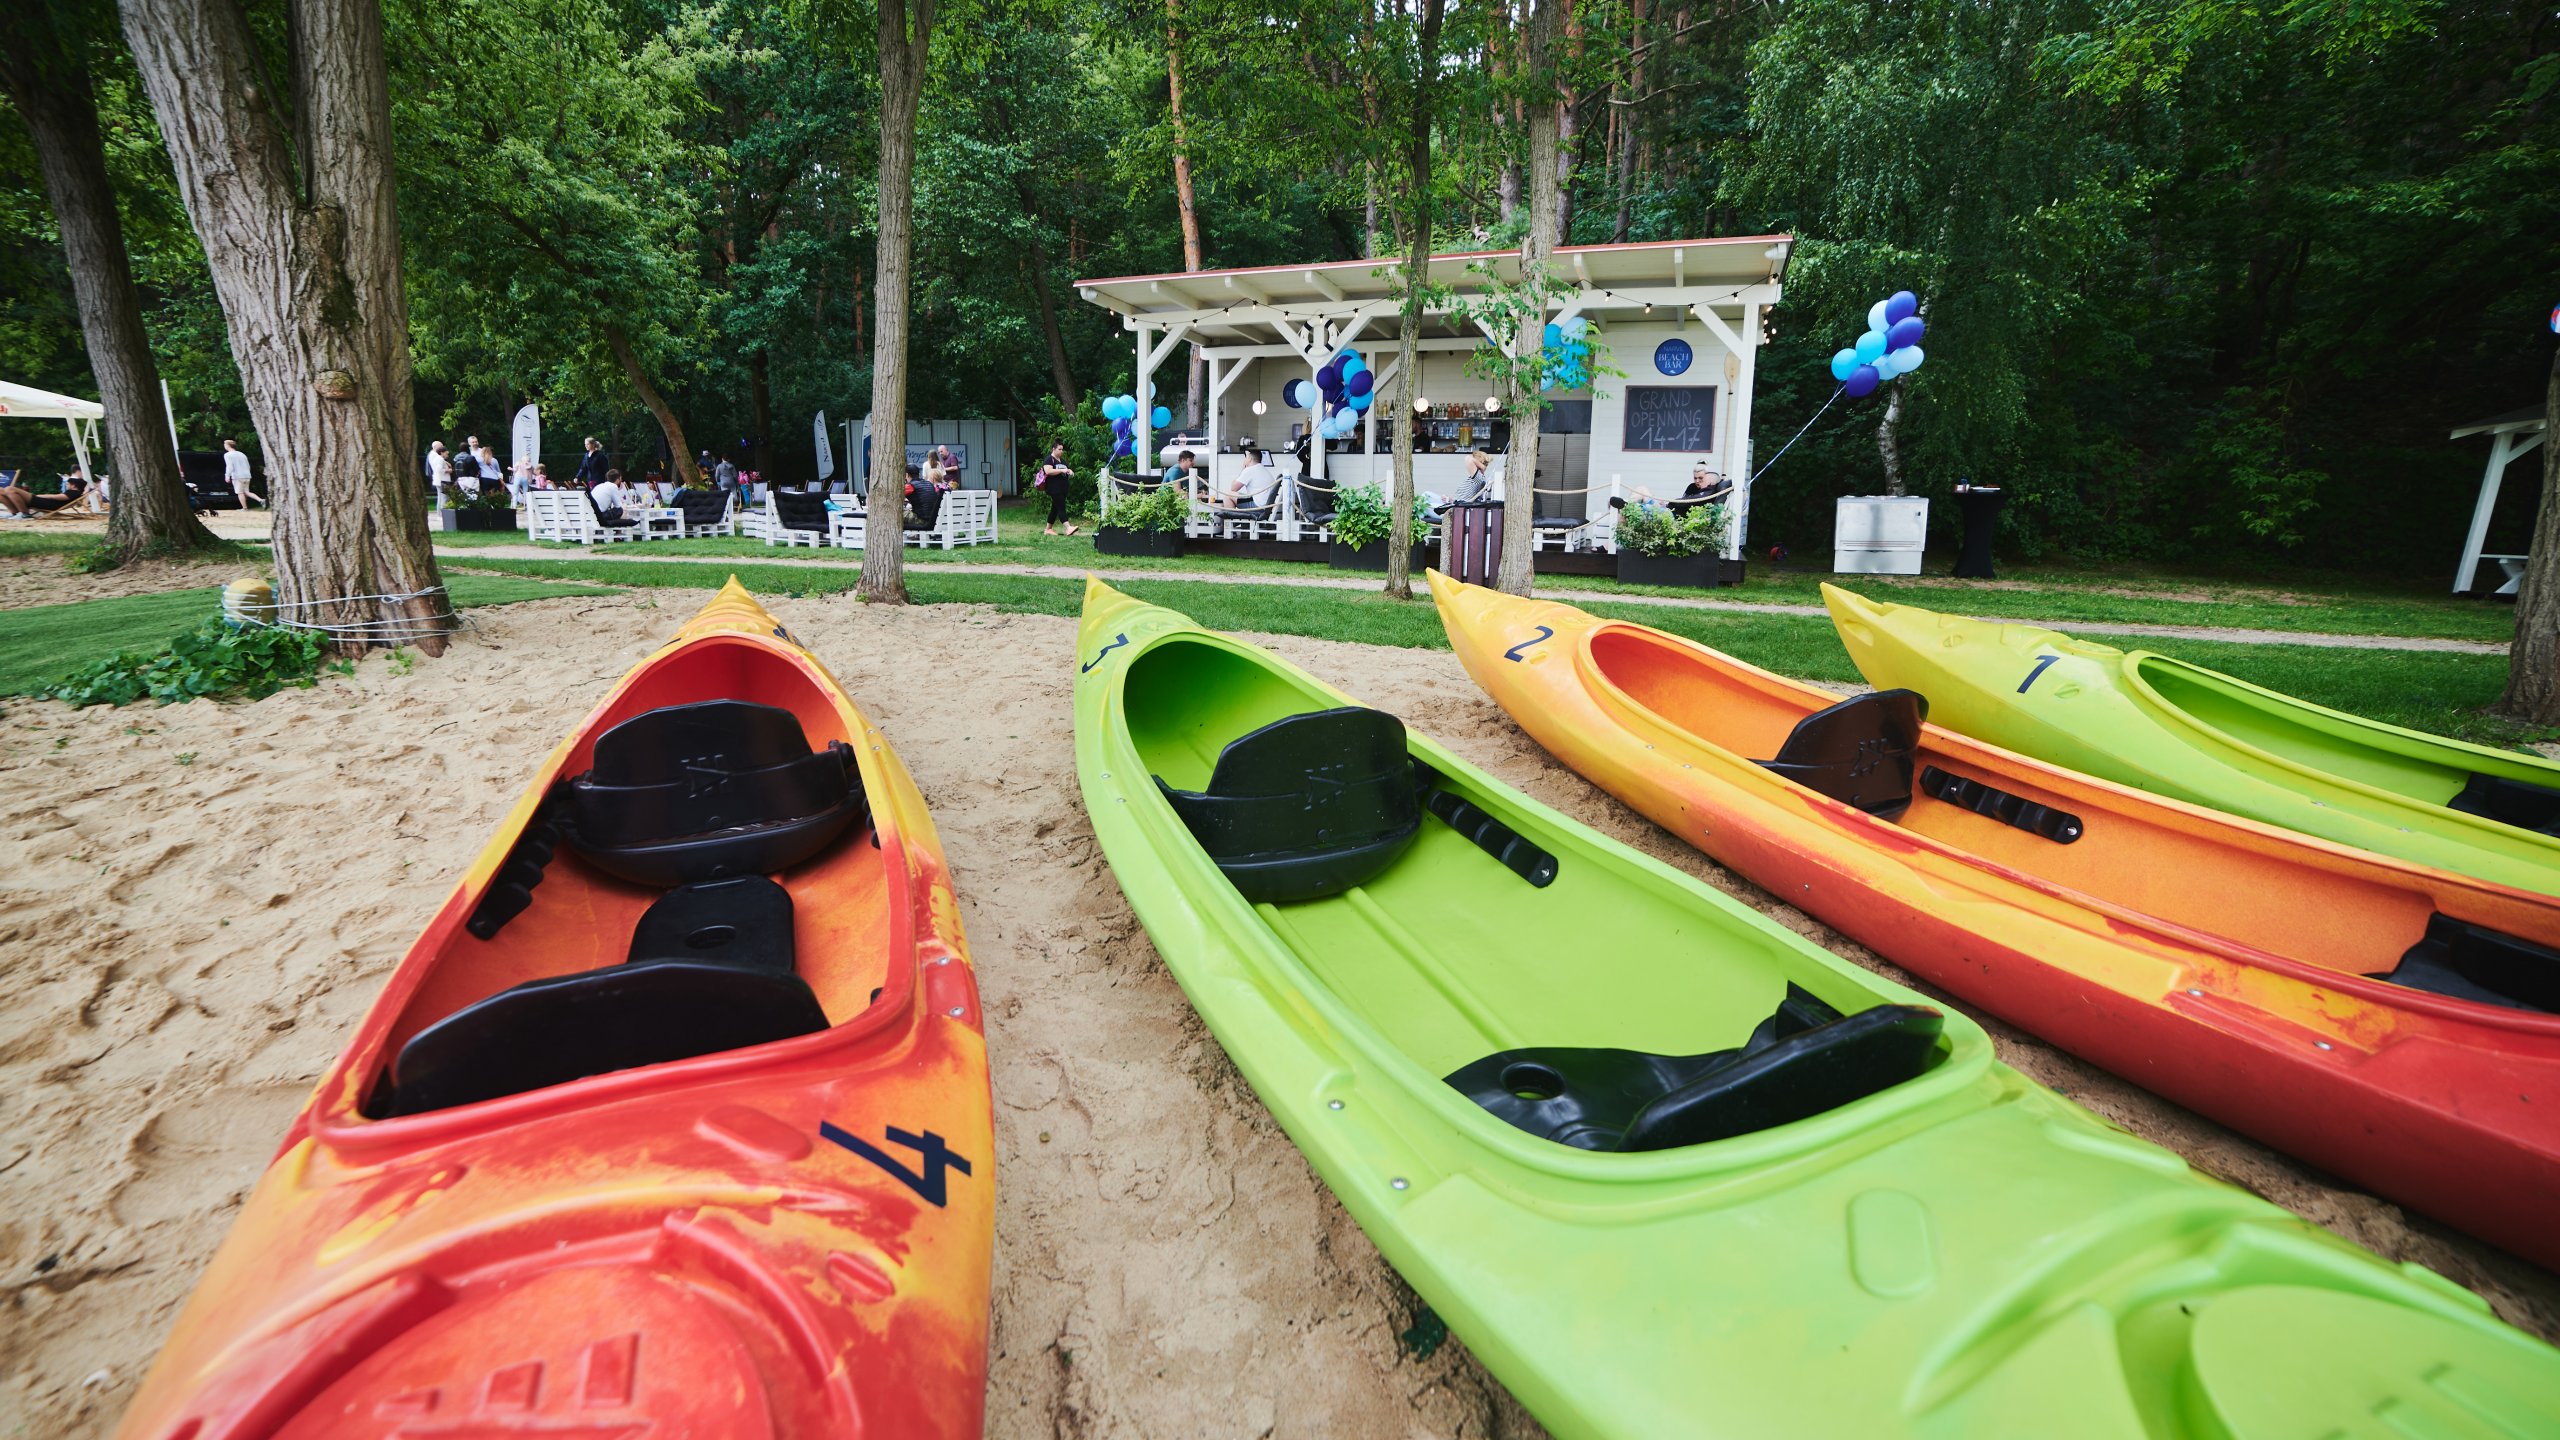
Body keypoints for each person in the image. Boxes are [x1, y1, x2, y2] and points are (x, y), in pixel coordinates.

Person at [1033, 442, 1077, 535]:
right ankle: (1068, 528)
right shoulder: (1049, 459)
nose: (1061, 451)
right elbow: (1048, 471)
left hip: (1062, 489)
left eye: (1062, 449)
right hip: (1054, 488)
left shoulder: (1062, 461)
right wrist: (1061, 470)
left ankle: (1048, 529)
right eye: (1059, 449)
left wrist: (1070, 471)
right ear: (1053, 449)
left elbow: (1067, 469)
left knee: (1055, 509)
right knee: (1061, 507)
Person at [222, 439, 265, 508]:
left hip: (238, 476)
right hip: (247, 475)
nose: (224, 446)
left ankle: (244, 508)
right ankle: (261, 500)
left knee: (240, 492)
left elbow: (229, 466)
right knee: (246, 492)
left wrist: (227, 476)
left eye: (225, 444)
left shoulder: (227, 455)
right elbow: (248, 465)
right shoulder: (242, 454)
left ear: (228, 445)